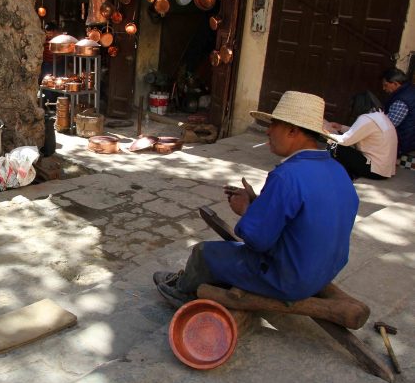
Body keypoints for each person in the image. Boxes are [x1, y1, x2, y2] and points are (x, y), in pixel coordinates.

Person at [153, 91, 359, 305]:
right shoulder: (337, 170)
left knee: (204, 253)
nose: (268, 131)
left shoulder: (286, 176)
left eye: (274, 125)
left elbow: (257, 240)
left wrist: (246, 210)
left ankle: (182, 291)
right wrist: (259, 201)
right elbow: (307, 215)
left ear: (292, 131)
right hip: (325, 269)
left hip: (290, 279)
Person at [325, 91, 397, 180]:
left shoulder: (367, 119)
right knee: (342, 147)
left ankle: (342, 176)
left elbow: (345, 140)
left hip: (375, 170)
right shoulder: (380, 117)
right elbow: (361, 132)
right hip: (383, 170)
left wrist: (326, 134)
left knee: (335, 146)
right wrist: (341, 128)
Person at [381, 67, 415, 156]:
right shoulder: (409, 90)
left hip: (403, 140)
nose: (384, 88)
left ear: (395, 84)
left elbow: (389, 124)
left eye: (386, 85)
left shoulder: (402, 100)